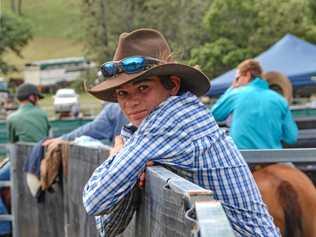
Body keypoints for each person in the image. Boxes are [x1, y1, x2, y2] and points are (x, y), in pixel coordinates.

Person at [82, 28, 279, 237]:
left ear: (173, 85)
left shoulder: (171, 118)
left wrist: (118, 156)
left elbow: (94, 199)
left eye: (143, 88)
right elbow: (107, 227)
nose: (132, 102)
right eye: (123, 93)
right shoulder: (168, 117)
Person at [211, 59, 298, 149]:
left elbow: (214, 115)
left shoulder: (237, 93)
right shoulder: (280, 100)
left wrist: (231, 89)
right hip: (272, 157)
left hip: (243, 158)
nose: (236, 82)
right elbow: (291, 138)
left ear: (247, 75)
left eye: (237, 78)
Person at [0, 83, 50, 236]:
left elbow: (13, 144)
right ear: (32, 97)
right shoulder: (42, 114)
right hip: (43, 157)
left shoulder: (12, 118)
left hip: (21, 161)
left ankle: (4, 229)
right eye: (37, 97)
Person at [42, 102, 128, 147]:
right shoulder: (114, 110)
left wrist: (62, 139)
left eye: (141, 88)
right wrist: (62, 139)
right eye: (122, 93)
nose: (134, 101)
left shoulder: (114, 109)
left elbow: (91, 129)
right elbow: (92, 129)